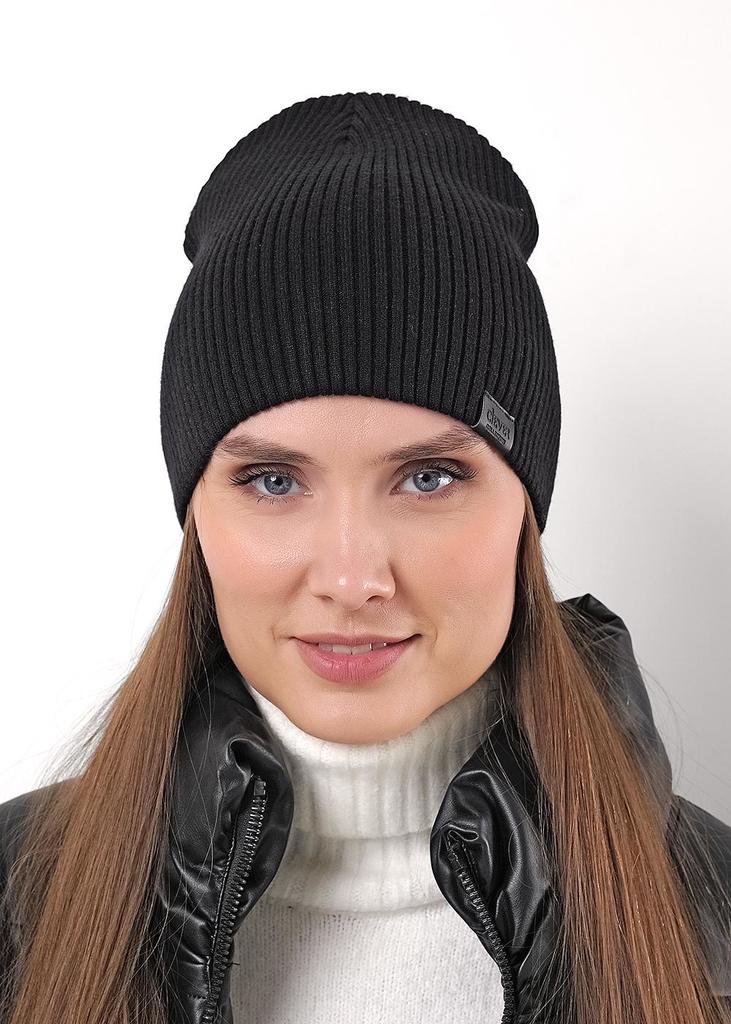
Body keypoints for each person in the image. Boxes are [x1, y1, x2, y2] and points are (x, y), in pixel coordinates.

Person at [0, 92, 729, 1024]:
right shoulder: (20, 905)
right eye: (272, 481)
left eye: (427, 478)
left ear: (524, 509)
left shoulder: (710, 924)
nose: (351, 580)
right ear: (197, 518)